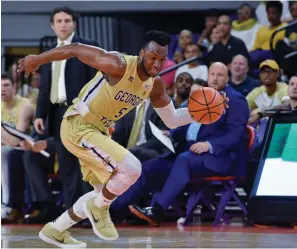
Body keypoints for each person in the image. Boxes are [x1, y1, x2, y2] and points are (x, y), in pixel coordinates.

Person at [18, 30, 229, 247]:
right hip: (78, 125)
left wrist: (204, 113)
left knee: (100, 193)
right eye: (152, 57)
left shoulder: (154, 85)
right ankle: (99, 208)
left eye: (162, 59)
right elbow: (75, 48)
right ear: (141, 53)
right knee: (132, 168)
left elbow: (173, 119)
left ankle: (55, 229)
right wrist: (38, 59)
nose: (157, 64)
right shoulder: (117, 64)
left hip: (97, 132)